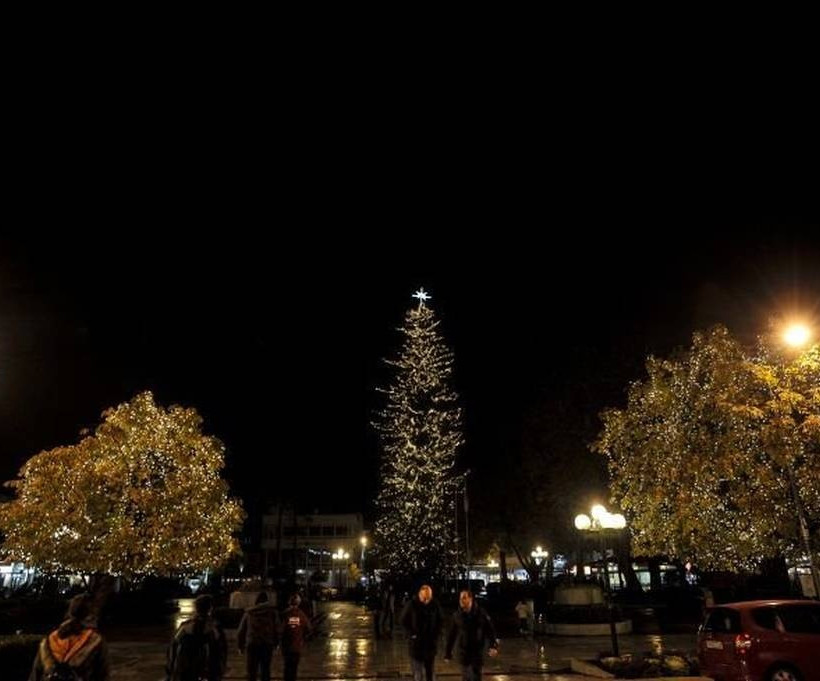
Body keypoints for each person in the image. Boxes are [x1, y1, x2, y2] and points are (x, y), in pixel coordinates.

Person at [29, 593, 110, 681]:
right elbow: (103, 675)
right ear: (90, 615)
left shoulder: (49, 640)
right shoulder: (95, 641)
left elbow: (35, 674)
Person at [166, 594, 227, 681]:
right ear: (210, 608)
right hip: (208, 669)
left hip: (186, 669)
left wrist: (171, 668)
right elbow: (222, 650)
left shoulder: (185, 626)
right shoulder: (214, 627)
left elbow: (173, 647)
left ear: (196, 608)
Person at [445, 590, 499, 681]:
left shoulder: (481, 613)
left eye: (464, 598)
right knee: (466, 677)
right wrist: (448, 653)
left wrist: (493, 646)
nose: (461, 600)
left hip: (477, 652)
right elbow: (451, 635)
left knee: (476, 677)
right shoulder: (457, 615)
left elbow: (490, 630)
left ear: (470, 599)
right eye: (460, 598)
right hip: (463, 652)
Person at [400, 584, 444, 681]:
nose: (426, 600)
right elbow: (403, 621)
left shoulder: (435, 605)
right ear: (420, 594)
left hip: (430, 644)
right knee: (418, 673)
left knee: (430, 672)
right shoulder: (411, 605)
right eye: (425, 597)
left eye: (428, 597)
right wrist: (411, 635)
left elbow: (440, 620)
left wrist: (437, 634)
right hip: (416, 645)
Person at [237, 592, 280, 681]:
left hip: (252, 643)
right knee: (265, 669)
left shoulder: (249, 613)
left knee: (251, 670)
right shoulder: (272, 612)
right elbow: (277, 629)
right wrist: (277, 643)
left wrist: (240, 645)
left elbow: (241, 630)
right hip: (267, 643)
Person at [280, 594, 312, 681]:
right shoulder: (301, 615)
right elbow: (309, 628)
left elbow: (280, 630)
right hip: (297, 646)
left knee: (287, 667)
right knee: (294, 669)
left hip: (286, 646)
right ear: (299, 603)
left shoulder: (285, 614)